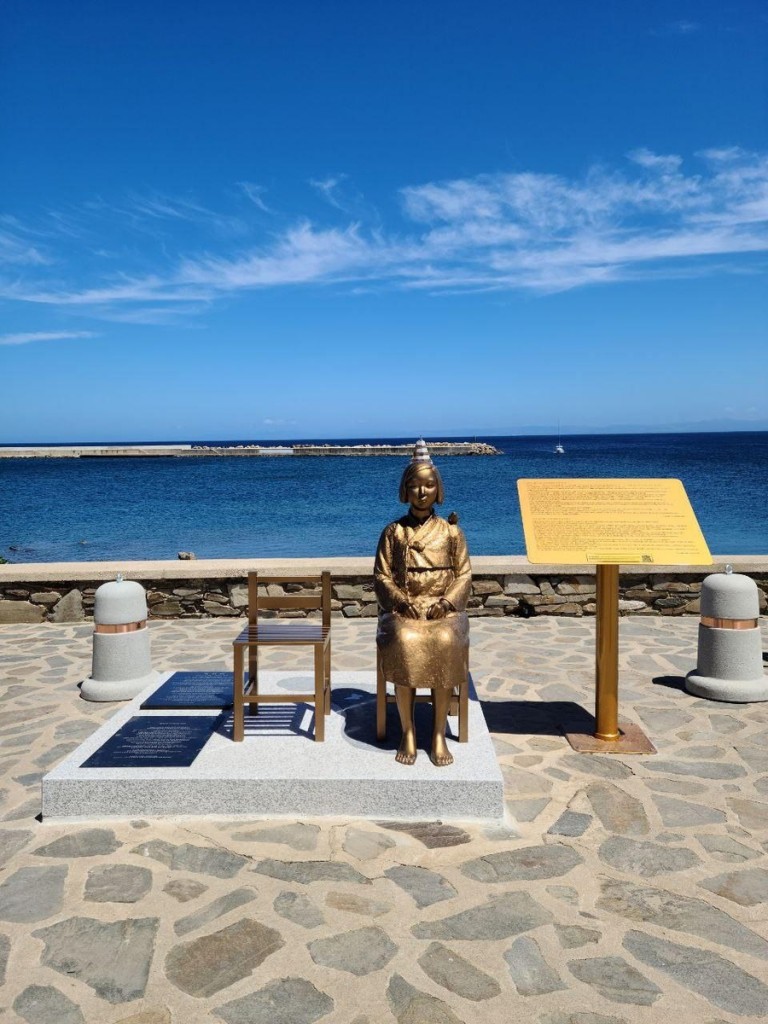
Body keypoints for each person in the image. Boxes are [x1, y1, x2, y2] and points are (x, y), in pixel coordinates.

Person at [374, 440, 471, 766]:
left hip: (442, 609)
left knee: (444, 640)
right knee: (404, 640)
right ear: (405, 489)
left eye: (429, 485)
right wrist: (401, 602)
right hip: (405, 609)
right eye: (415, 485)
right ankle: (408, 730)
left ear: (438, 489)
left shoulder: (451, 532)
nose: (422, 492)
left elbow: (465, 575)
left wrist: (446, 602)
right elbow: (381, 576)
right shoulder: (393, 532)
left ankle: (439, 734)